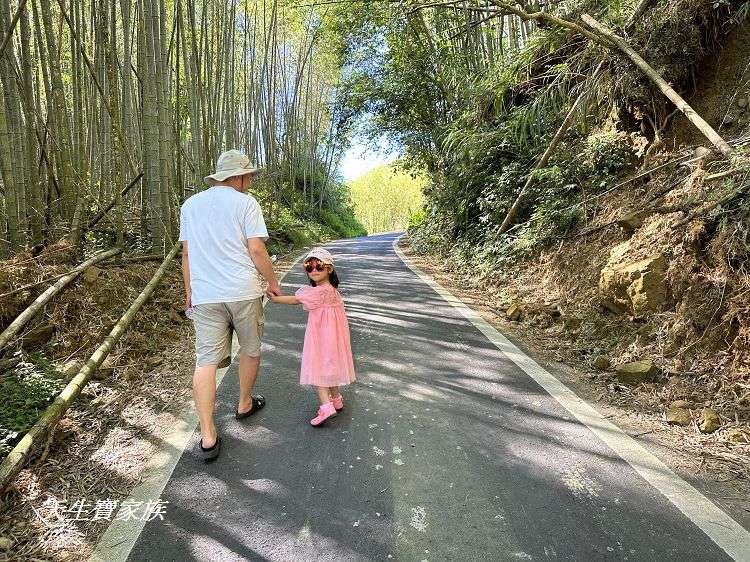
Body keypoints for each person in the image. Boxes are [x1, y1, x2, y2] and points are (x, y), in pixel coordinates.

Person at [179, 149, 282, 461]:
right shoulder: (245, 202)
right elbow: (256, 248)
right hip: (243, 291)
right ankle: (244, 403)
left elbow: (186, 255)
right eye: (248, 175)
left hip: (205, 294)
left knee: (205, 362)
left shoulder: (190, 205)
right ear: (236, 177)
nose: (250, 180)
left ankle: (208, 436)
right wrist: (273, 282)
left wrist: (190, 292)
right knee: (250, 349)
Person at [270, 248, 356, 426]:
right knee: (330, 366)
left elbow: (296, 300)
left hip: (321, 337)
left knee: (319, 369)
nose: (314, 270)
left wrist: (276, 299)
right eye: (310, 267)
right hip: (335, 338)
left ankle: (326, 406)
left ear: (329, 268)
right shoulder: (332, 290)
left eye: (319, 266)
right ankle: (337, 399)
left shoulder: (317, 292)